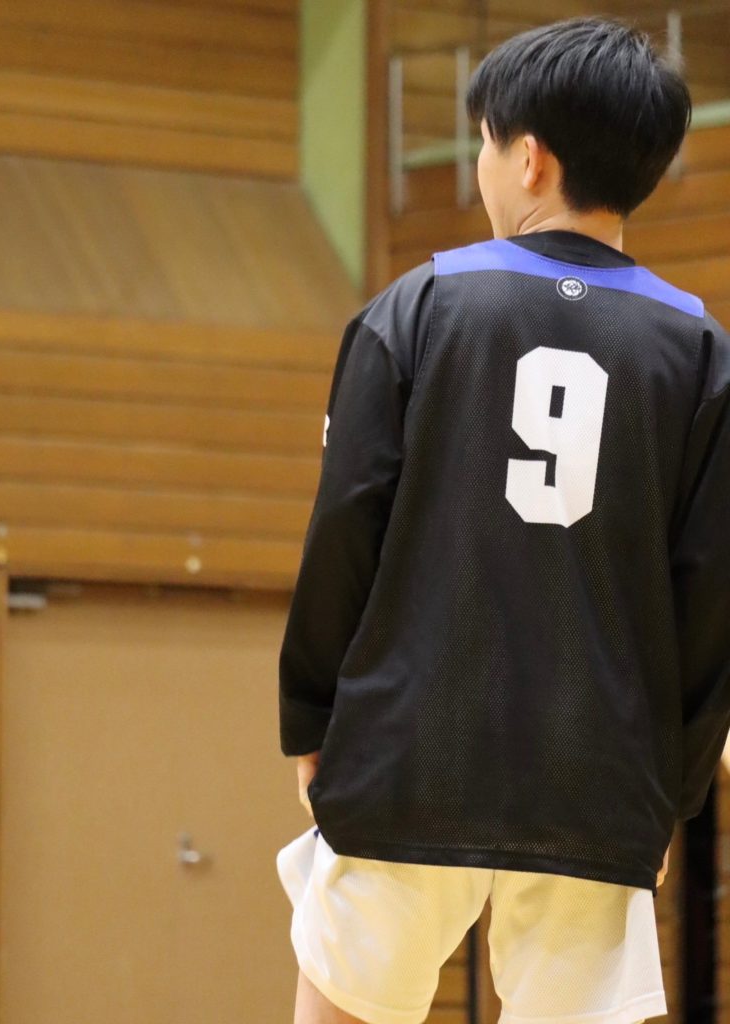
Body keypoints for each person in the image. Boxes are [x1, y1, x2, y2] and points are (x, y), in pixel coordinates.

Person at [276, 15, 730, 1024]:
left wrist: (311, 718)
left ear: (529, 161)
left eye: (481, 141)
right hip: (598, 772)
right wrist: (674, 789)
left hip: (406, 746)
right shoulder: (702, 355)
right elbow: (712, 599)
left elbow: (346, 526)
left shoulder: (415, 308)